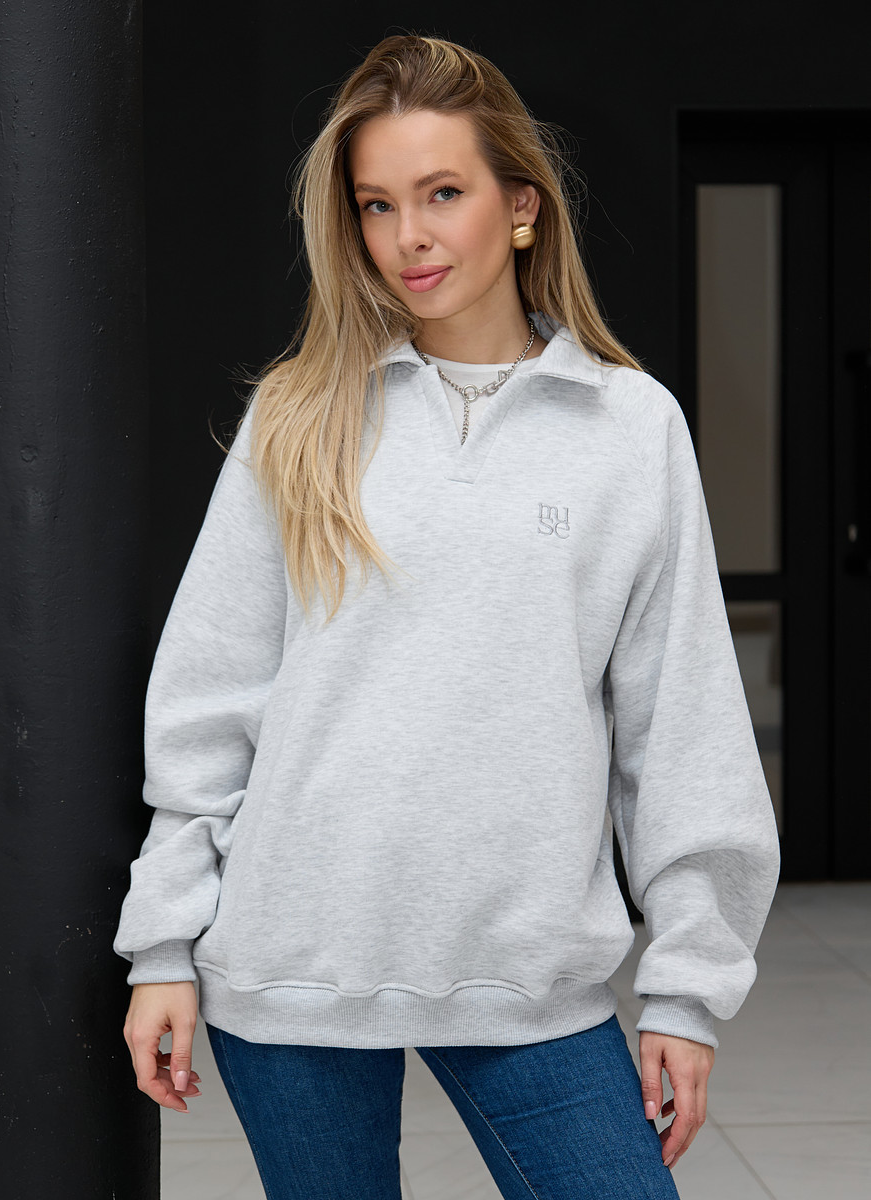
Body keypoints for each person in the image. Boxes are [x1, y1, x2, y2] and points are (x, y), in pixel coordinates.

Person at [115, 33, 781, 1200]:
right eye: (377, 205)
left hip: (531, 979)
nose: (407, 237)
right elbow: (209, 703)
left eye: (441, 194)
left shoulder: (629, 429)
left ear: (521, 206)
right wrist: (163, 944)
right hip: (292, 974)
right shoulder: (300, 414)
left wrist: (687, 991)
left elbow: (681, 731)